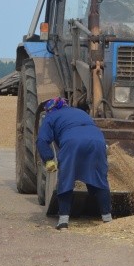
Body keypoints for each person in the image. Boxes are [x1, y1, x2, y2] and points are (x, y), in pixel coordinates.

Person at [36, 97, 113, 230]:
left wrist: (48, 159)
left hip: (72, 142)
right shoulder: (80, 112)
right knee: (99, 179)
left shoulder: (51, 116)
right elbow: (91, 128)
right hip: (98, 141)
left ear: (50, 109)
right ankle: (108, 219)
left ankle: (63, 221)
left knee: (66, 179)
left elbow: (42, 140)